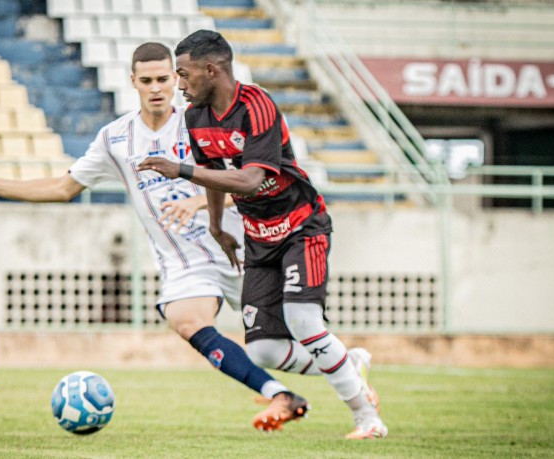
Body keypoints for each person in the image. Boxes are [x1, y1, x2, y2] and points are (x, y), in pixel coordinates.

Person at [0, 43, 314, 432]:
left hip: (239, 247)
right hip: (183, 262)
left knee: (287, 342)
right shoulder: (116, 138)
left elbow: (252, 182)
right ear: (132, 82)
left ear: (176, 79)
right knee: (186, 320)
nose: (156, 88)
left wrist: (197, 203)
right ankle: (280, 395)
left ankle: (348, 368)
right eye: (147, 81)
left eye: (163, 79)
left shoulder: (201, 122)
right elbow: (62, 188)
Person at [137, 30, 388, 439]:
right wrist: (217, 227)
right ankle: (348, 363)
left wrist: (179, 169)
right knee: (264, 350)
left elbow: (252, 180)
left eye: (183, 74)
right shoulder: (194, 118)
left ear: (211, 70)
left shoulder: (257, 106)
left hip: (301, 226)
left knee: (303, 320)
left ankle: (367, 419)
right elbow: (217, 179)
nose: (179, 85)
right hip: (258, 237)